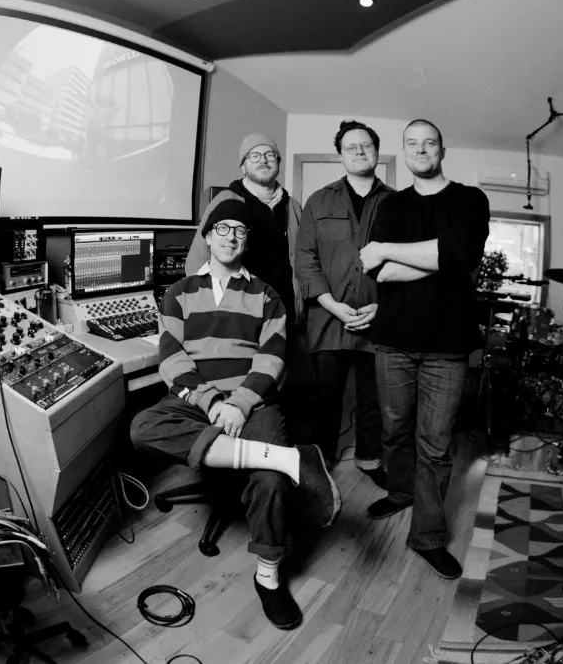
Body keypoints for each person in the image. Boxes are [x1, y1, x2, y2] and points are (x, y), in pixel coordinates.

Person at [131, 191, 340, 630]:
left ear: (246, 241)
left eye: (239, 231)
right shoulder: (179, 292)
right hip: (197, 400)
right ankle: (286, 457)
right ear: (207, 237)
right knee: (143, 425)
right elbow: (171, 359)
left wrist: (241, 403)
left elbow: (273, 359)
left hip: (254, 397)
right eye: (221, 229)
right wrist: (211, 402)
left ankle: (268, 577)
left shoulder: (267, 296)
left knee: (270, 481)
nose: (230, 236)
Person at [359, 119, 489, 580]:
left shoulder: (470, 199)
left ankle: (428, 537)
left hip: (447, 346)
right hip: (393, 340)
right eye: (411, 144)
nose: (420, 150)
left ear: (441, 149)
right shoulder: (391, 204)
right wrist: (438, 259)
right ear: (404, 152)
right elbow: (378, 272)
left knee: (434, 445)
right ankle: (399, 491)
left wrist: (393, 252)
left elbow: (459, 257)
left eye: (428, 143)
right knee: (394, 429)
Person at [295, 120, 394, 485]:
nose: (358, 151)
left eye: (365, 145)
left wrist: (382, 306)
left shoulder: (397, 204)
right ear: (340, 155)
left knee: (374, 396)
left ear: (376, 152)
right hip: (327, 318)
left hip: (378, 319)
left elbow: (404, 262)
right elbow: (305, 258)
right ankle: (323, 458)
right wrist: (332, 305)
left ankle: (369, 459)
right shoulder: (319, 201)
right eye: (350, 147)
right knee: (325, 395)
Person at [185, 133, 303, 325]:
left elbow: (306, 261)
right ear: (243, 166)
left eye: (269, 155)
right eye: (254, 155)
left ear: (278, 162)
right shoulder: (226, 201)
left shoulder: (294, 206)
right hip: (240, 321)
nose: (263, 161)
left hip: (287, 319)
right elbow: (195, 264)